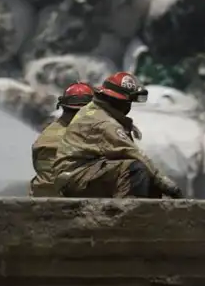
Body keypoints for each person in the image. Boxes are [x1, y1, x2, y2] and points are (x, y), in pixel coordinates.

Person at [53, 71, 183, 199]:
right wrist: (166, 184)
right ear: (117, 101)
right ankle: (130, 214)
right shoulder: (104, 122)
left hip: (81, 173)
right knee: (135, 169)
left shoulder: (96, 111)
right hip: (74, 176)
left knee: (148, 177)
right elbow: (132, 152)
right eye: (128, 102)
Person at [30, 82, 94, 197]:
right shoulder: (87, 136)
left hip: (40, 196)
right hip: (70, 200)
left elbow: (36, 165)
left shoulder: (46, 134)